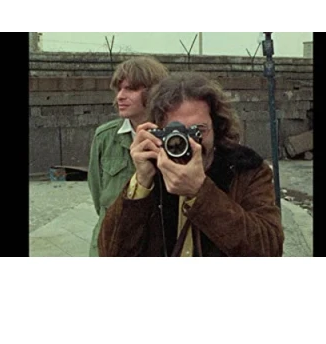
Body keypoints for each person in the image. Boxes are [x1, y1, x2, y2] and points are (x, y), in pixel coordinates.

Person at [97, 74, 284, 257]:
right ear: (158, 131)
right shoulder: (153, 171)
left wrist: (201, 192)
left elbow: (269, 249)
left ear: (217, 127)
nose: (188, 142)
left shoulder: (246, 169)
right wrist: (140, 183)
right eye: (176, 132)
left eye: (198, 130)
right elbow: (111, 253)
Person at [88, 56, 169, 256]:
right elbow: (99, 197)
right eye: (119, 89)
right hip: (113, 243)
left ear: (153, 92)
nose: (120, 96)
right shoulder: (105, 137)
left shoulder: (172, 138)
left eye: (130, 89)